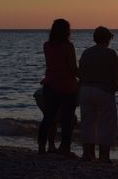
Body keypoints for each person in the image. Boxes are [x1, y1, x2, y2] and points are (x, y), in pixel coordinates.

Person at [78, 26, 118, 163]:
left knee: (87, 122)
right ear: (108, 39)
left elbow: (80, 71)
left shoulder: (86, 52)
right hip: (103, 90)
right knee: (106, 123)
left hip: (85, 89)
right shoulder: (110, 53)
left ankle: (87, 153)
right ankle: (104, 156)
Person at [38, 19, 79, 156]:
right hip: (66, 85)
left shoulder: (47, 45)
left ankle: (42, 146)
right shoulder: (68, 46)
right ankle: (65, 148)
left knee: (48, 117)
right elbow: (73, 68)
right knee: (67, 119)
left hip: (49, 84)